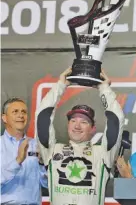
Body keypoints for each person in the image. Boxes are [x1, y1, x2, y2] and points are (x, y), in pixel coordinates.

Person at [36, 67, 125, 205]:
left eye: (84, 122)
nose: (77, 126)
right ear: (68, 125)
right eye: (73, 121)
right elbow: (42, 117)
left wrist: (104, 89)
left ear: (93, 129)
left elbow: (116, 120)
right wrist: (60, 86)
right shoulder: (52, 150)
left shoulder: (103, 153)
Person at [1, 98, 48, 205]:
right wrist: (17, 161)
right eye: (15, 112)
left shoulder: (37, 145)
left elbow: (48, 184)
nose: (21, 115)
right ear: (4, 118)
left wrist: (42, 164)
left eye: (24, 112)